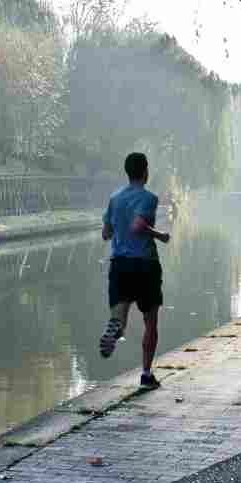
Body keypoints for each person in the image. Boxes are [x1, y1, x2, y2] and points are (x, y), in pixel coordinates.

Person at [100, 152, 170, 389]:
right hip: (145, 265)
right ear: (145, 171)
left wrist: (118, 231)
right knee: (150, 321)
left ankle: (115, 327)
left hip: (119, 264)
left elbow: (106, 233)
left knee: (120, 312)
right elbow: (139, 225)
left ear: (127, 171)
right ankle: (147, 374)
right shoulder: (148, 198)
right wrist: (160, 235)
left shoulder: (115, 197)